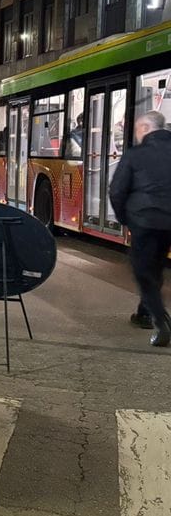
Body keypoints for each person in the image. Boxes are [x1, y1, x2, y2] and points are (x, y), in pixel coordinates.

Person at [109, 110, 171, 347]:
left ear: (145, 128)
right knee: (155, 266)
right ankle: (145, 311)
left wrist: (126, 219)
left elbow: (116, 190)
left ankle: (159, 319)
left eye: (136, 129)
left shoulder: (136, 155)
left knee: (143, 271)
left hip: (144, 221)